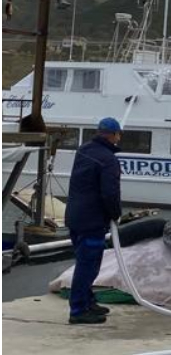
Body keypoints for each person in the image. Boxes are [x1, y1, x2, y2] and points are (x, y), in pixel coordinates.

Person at [64, 117, 123, 324]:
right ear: (115, 135)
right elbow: (109, 193)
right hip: (92, 220)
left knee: (85, 262)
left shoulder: (84, 150)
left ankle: (88, 301)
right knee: (88, 265)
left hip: (75, 216)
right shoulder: (108, 159)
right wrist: (116, 214)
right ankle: (78, 310)